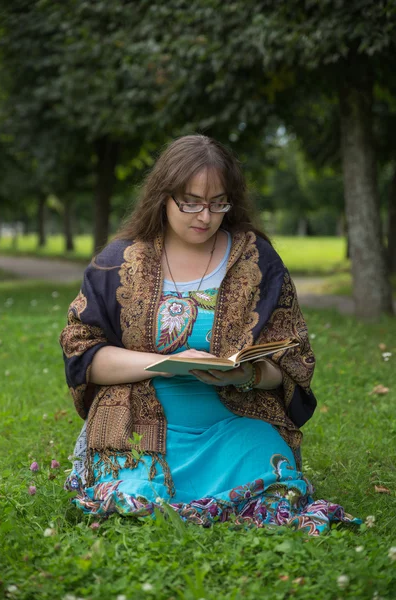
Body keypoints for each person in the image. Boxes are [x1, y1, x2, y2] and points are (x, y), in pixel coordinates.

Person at [60, 134, 360, 534]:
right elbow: (83, 355)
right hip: (140, 425)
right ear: (163, 196)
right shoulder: (119, 261)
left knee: (278, 486)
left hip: (232, 423)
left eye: (218, 202)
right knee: (134, 495)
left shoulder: (257, 260)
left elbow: (292, 361)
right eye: (191, 202)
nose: (205, 216)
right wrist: (167, 365)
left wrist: (248, 374)